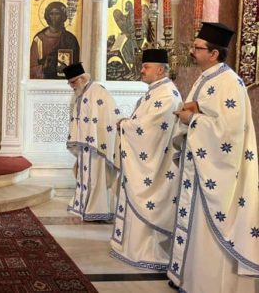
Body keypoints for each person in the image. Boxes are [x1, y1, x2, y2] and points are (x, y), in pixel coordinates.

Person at [169, 22, 259, 292]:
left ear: (214, 54)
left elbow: (229, 132)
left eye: (197, 48)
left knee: (208, 230)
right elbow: (210, 111)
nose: (192, 52)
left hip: (215, 172)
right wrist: (195, 110)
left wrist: (192, 120)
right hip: (199, 167)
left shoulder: (230, 82)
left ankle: (207, 284)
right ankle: (190, 278)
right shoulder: (207, 78)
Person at [110, 49, 182, 271]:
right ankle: (131, 247)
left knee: (149, 198)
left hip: (156, 165)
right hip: (149, 159)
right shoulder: (156, 92)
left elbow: (149, 130)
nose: (141, 70)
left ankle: (147, 252)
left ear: (160, 70)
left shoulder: (167, 95)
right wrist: (128, 124)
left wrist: (124, 125)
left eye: (146, 67)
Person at [64, 62, 121, 221]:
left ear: (82, 78)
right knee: (84, 177)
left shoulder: (98, 91)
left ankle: (97, 209)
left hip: (97, 146)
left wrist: (98, 139)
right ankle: (82, 206)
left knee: (96, 179)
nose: (72, 86)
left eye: (73, 82)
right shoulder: (79, 93)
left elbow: (110, 116)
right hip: (84, 146)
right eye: (70, 83)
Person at [30, 1, 81, 79]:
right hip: (44, 81)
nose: (54, 17)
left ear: (63, 16)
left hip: (65, 82)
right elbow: (31, 69)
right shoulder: (39, 39)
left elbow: (78, 70)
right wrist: (44, 67)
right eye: (51, 14)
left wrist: (67, 69)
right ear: (47, 16)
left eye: (57, 13)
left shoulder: (70, 39)